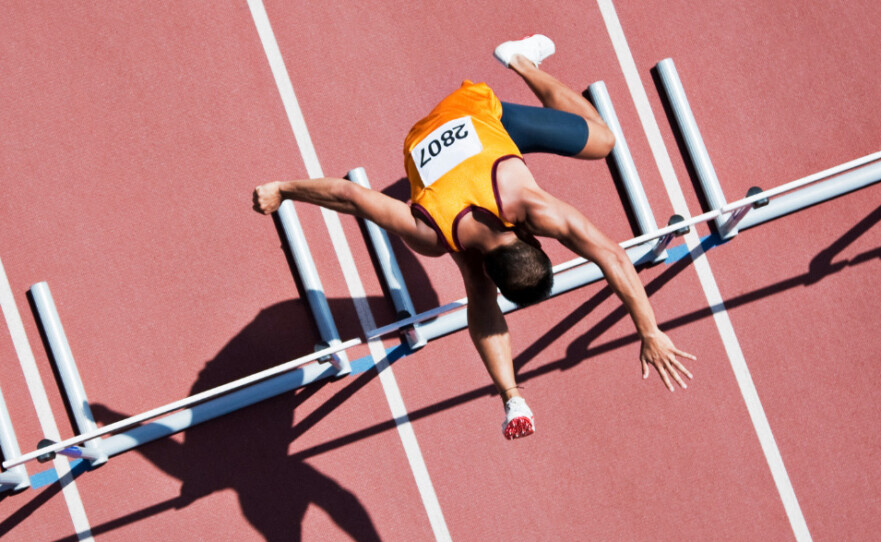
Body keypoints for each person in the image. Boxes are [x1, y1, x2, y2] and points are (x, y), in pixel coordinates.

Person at [253, 35, 695, 440]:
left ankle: (522, 62)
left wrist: (651, 330)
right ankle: (521, 61)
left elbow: (612, 255)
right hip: (447, 125)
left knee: (603, 142)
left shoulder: (531, 208)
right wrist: (282, 192)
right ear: (533, 237)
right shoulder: (434, 234)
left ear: (534, 240)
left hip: (474, 122)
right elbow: (350, 196)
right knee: (476, 271)